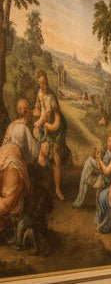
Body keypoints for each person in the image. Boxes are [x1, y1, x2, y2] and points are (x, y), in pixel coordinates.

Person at [32, 70, 67, 200]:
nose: (42, 85)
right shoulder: (40, 93)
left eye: (44, 82)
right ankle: (44, 185)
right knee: (43, 152)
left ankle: (57, 189)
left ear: (47, 81)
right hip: (46, 125)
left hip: (57, 128)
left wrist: (44, 124)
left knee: (56, 155)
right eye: (40, 83)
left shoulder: (52, 99)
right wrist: (38, 119)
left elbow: (56, 122)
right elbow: (40, 110)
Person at [2, 97, 40, 162]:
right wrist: (38, 140)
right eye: (27, 108)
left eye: (28, 108)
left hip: (3, 155)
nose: (29, 111)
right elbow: (34, 152)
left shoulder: (11, 125)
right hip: (13, 156)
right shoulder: (25, 128)